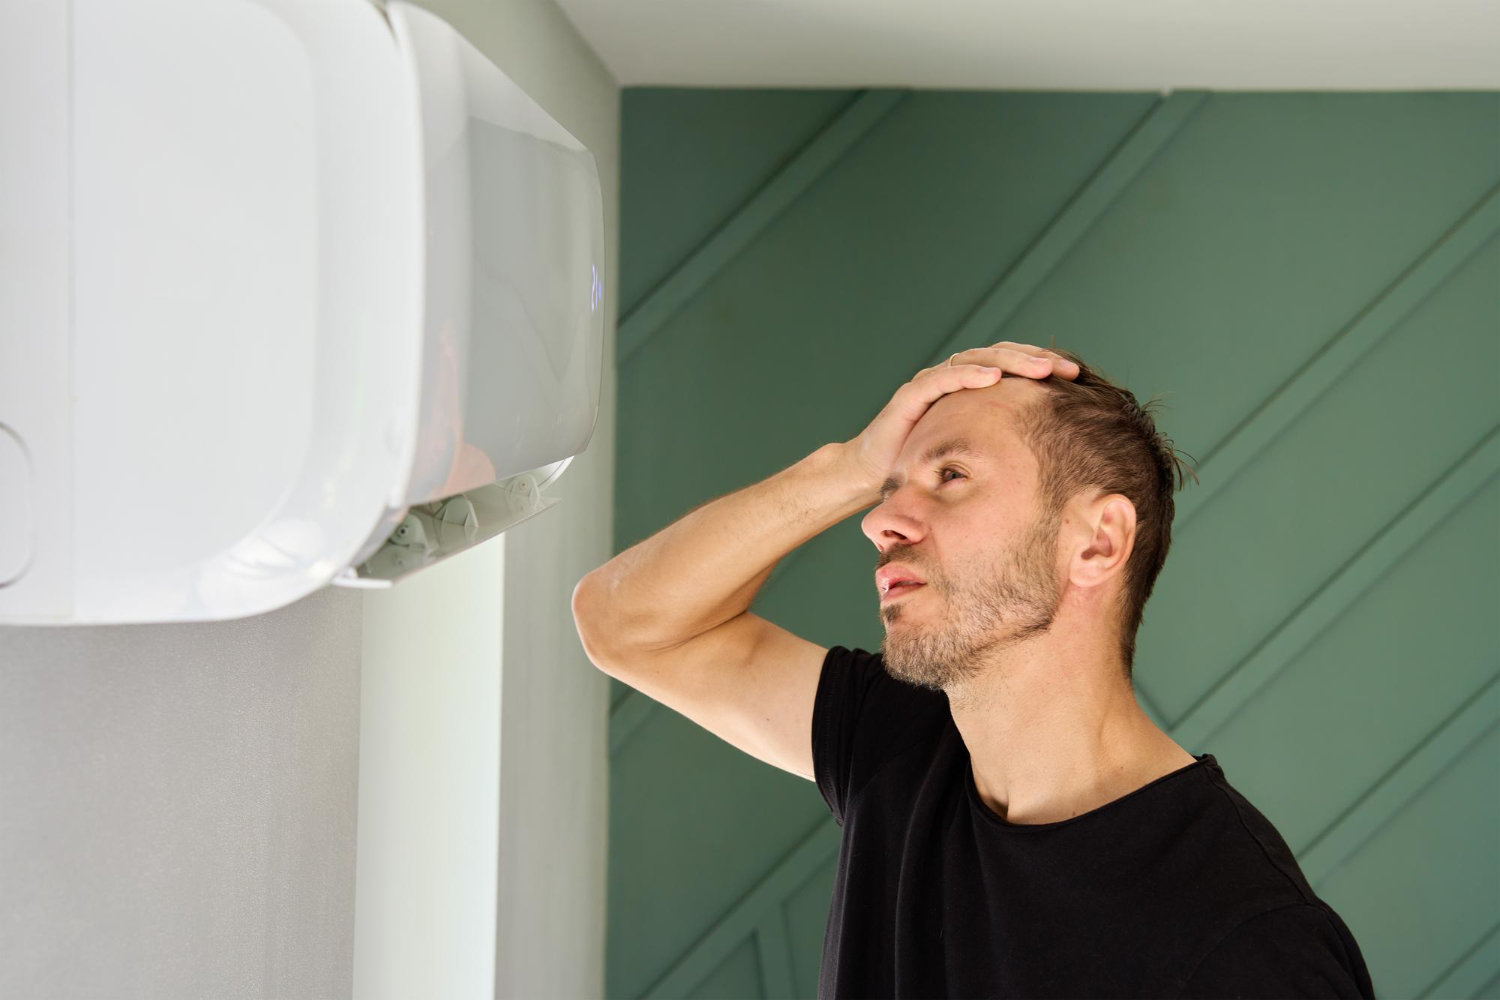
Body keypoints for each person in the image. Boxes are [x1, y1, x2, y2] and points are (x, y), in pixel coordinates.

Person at [572, 341, 1376, 998]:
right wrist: (850, 466)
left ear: (1097, 542)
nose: (880, 521)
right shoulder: (899, 743)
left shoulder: (1250, 944)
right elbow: (623, 624)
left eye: (949, 477)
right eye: (887, 490)